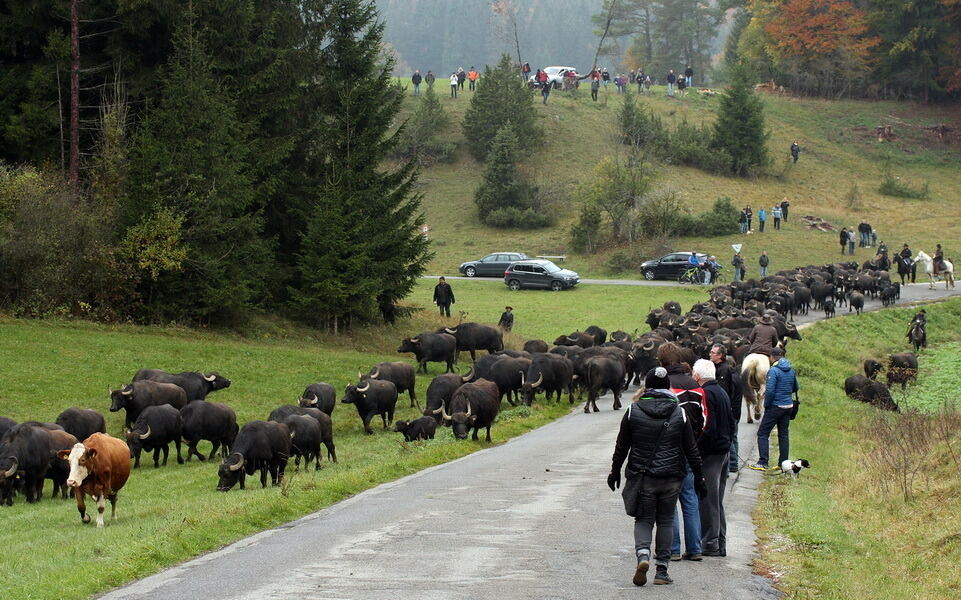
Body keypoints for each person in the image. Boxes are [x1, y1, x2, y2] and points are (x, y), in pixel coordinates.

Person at [609, 366, 707, 587]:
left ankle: (643, 555)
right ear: (667, 387)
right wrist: (699, 477)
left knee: (643, 519)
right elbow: (691, 450)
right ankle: (662, 570)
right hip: (672, 477)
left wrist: (615, 472)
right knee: (665, 520)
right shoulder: (679, 412)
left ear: (648, 386)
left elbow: (621, 447)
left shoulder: (634, 411)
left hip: (644, 477)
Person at [655, 344, 706, 565]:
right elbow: (704, 419)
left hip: (668, 451)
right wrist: (693, 440)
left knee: (669, 501)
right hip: (691, 449)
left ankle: (673, 549)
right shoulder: (695, 385)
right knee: (690, 498)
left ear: (661, 361)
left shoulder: (665, 386)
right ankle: (694, 549)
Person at [692, 359, 734, 557]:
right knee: (717, 499)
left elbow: (708, 426)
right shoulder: (722, 392)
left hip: (712, 453)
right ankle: (720, 541)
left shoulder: (706, 394)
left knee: (708, 498)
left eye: (693, 374)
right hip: (724, 450)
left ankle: (709, 543)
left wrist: (696, 446)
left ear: (698, 376)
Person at [750, 347, 798, 471]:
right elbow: (796, 387)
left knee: (762, 433)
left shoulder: (774, 371)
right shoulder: (791, 370)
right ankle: (783, 464)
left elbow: (770, 391)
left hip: (775, 407)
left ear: (771, 357)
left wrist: (767, 405)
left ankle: (763, 462)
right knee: (783, 435)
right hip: (788, 406)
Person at [710, 344, 742, 474]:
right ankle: (733, 464)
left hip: (730, 411)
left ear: (721, 355)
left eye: (713, 352)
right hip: (734, 411)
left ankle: (732, 464)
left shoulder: (723, 371)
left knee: (729, 436)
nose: (710, 354)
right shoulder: (734, 374)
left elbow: (724, 393)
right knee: (733, 436)